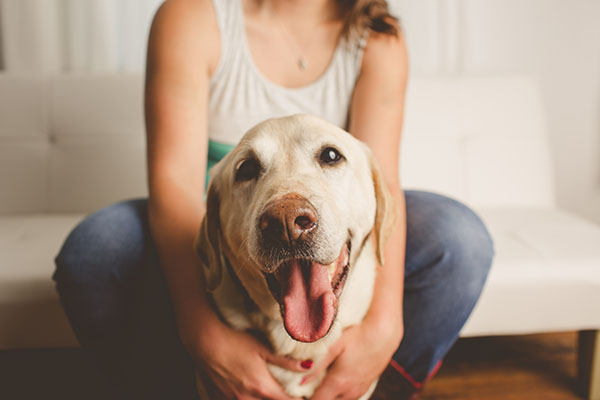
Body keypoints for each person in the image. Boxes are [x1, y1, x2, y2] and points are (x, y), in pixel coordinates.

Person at [53, 0, 494, 399]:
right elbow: (177, 189)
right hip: (223, 227)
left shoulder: (377, 36)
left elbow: (383, 183)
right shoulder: (193, 15)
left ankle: (358, 389)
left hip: (335, 223)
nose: (288, 210)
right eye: (250, 165)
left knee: (459, 239)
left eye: (328, 155)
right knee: (96, 251)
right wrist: (203, 334)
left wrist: (383, 328)